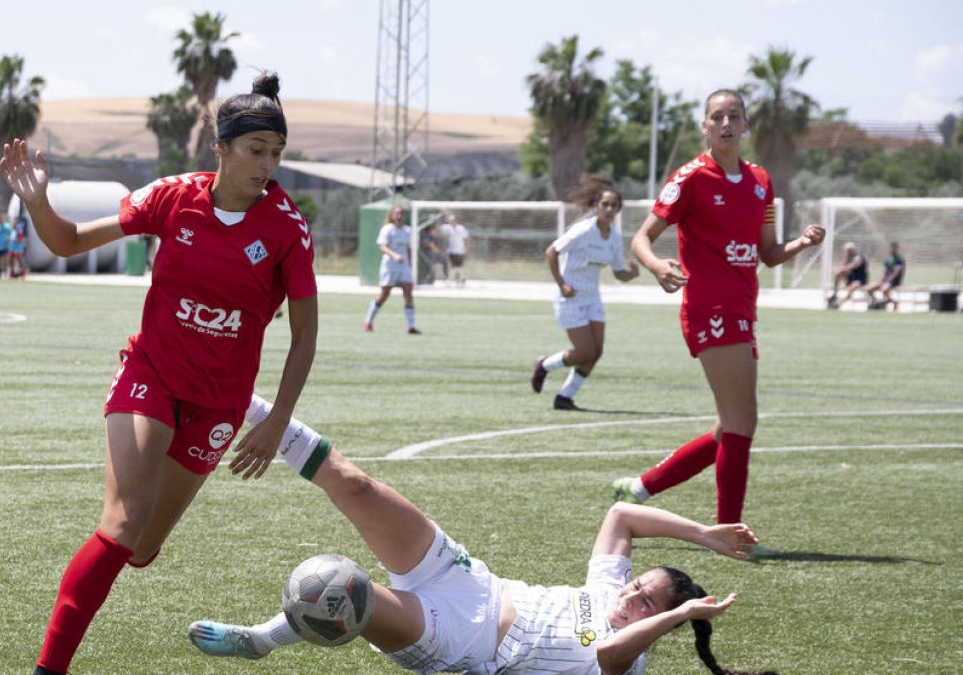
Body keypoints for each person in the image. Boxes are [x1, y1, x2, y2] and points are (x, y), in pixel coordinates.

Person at [1, 71, 319, 675]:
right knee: (123, 523)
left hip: (220, 403)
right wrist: (38, 201)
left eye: (276, 154)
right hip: (151, 375)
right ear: (220, 149)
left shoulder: (286, 228)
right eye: (256, 151)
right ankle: (48, 669)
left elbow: (304, 335)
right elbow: (67, 240)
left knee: (142, 548)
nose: (267, 165)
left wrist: (277, 421)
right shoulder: (173, 196)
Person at [189, 401, 773, 675]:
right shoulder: (606, 589)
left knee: (349, 592)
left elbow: (607, 654)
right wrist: (705, 535)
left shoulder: (628, 659)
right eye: (638, 586)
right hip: (466, 580)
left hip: (457, 642)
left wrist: (681, 612)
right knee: (357, 484)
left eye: (646, 602)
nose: (631, 597)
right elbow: (622, 515)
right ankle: (241, 397)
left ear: (660, 623)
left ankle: (261, 641)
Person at [610, 89, 825, 539]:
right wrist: (655, 265)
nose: (726, 123)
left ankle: (640, 487)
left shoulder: (761, 179)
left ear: (745, 124)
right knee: (743, 422)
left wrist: (801, 244)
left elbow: (768, 254)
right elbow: (641, 238)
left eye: (734, 116)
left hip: (744, 308)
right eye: (717, 117)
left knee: (726, 429)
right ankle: (730, 532)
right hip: (710, 307)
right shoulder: (690, 178)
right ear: (704, 126)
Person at [531, 176, 640, 410]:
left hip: (593, 298)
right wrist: (561, 284)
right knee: (585, 352)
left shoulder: (614, 238)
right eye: (605, 204)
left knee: (596, 352)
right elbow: (551, 252)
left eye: (614, 205)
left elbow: (618, 272)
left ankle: (565, 397)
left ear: (618, 209)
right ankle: (544, 365)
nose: (610, 209)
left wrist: (631, 274)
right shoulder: (582, 231)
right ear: (596, 206)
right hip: (570, 297)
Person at [365, 203, 420, 333]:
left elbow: (408, 248)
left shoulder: (407, 230)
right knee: (384, 295)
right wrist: (394, 255)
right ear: (392, 215)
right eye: (397, 213)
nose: (400, 216)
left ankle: (411, 326)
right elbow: (382, 246)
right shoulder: (387, 229)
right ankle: (368, 321)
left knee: (408, 294)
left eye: (402, 213)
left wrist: (410, 263)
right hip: (389, 266)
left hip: (404, 267)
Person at [826, 242, 867, 308]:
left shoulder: (858, 257)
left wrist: (839, 269)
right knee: (838, 274)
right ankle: (835, 294)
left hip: (860, 280)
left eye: (849, 250)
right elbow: (844, 266)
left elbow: (853, 265)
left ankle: (840, 303)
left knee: (852, 287)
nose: (847, 252)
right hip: (851, 278)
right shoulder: (848, 257)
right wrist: (838, 270)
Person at [865, 241, 904, 310]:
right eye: (891, 248)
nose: (892, 249)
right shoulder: (888, 259)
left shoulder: (900, 259)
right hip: (885, 280)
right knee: (868, 289)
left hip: (894, 282)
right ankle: (877, 302)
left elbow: (896, 272)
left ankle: (894, 303)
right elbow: (884, 270)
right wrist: (881, 280)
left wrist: (888, 280)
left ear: (897, 248)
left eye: (894, 248)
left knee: (883, 290)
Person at [442, 213, 471, 286]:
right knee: (453, 267)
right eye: (451, 221)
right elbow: (441, 230)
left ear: (456, 221)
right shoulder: (448, 228)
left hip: (460, 251)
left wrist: (466, 247)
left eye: (453, 220)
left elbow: (466, 238)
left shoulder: (461, 228)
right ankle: (458, 280)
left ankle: (460, 280)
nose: (452, 222)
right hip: (451, 251)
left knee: (459, 267)